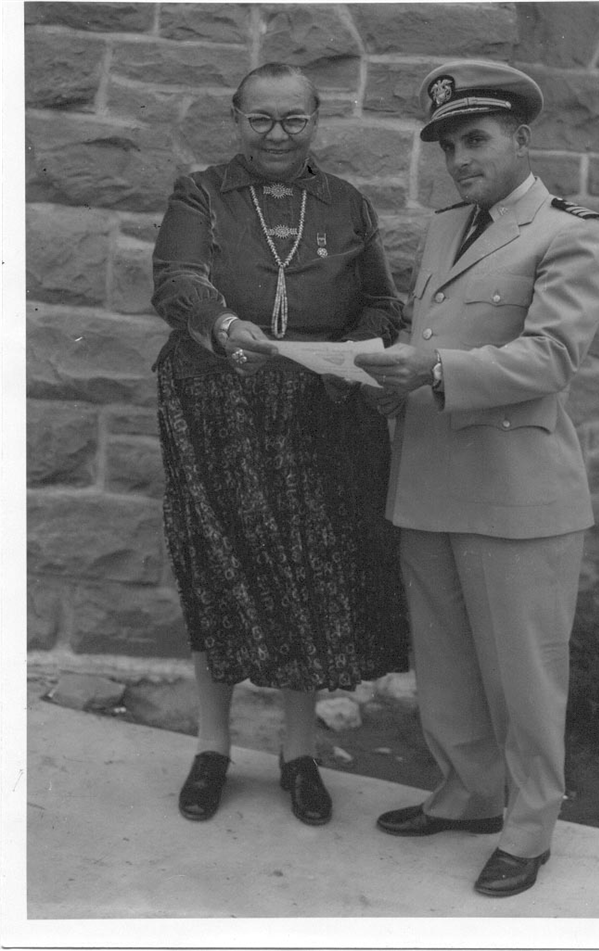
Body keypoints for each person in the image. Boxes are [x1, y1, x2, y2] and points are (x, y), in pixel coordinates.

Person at [355, 60, 599, 896]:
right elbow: (431, 330)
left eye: (475, 139)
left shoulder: (570, 231)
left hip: (516, 486)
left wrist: (430, 370)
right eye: (447, 145)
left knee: (523, 674)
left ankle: (530, 825)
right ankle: (466, 792)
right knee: (448, 662)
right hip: (429, 476)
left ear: (518, 140)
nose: (459, 158)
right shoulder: (441, 228)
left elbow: (549, 357)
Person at [151, 62, 407, 828]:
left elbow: (381, 300)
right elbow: (175, 279)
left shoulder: (347, 202)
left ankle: (299, 755)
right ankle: (213, 747)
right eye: (260, 119)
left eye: (292, 119)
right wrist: (224, 325)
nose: (276, 135)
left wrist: (353, 350)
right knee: (219, 563)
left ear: (315, 120)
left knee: (307, 567)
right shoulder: (200, 192)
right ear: (235, 119)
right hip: (216, 401)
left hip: (321, 407)